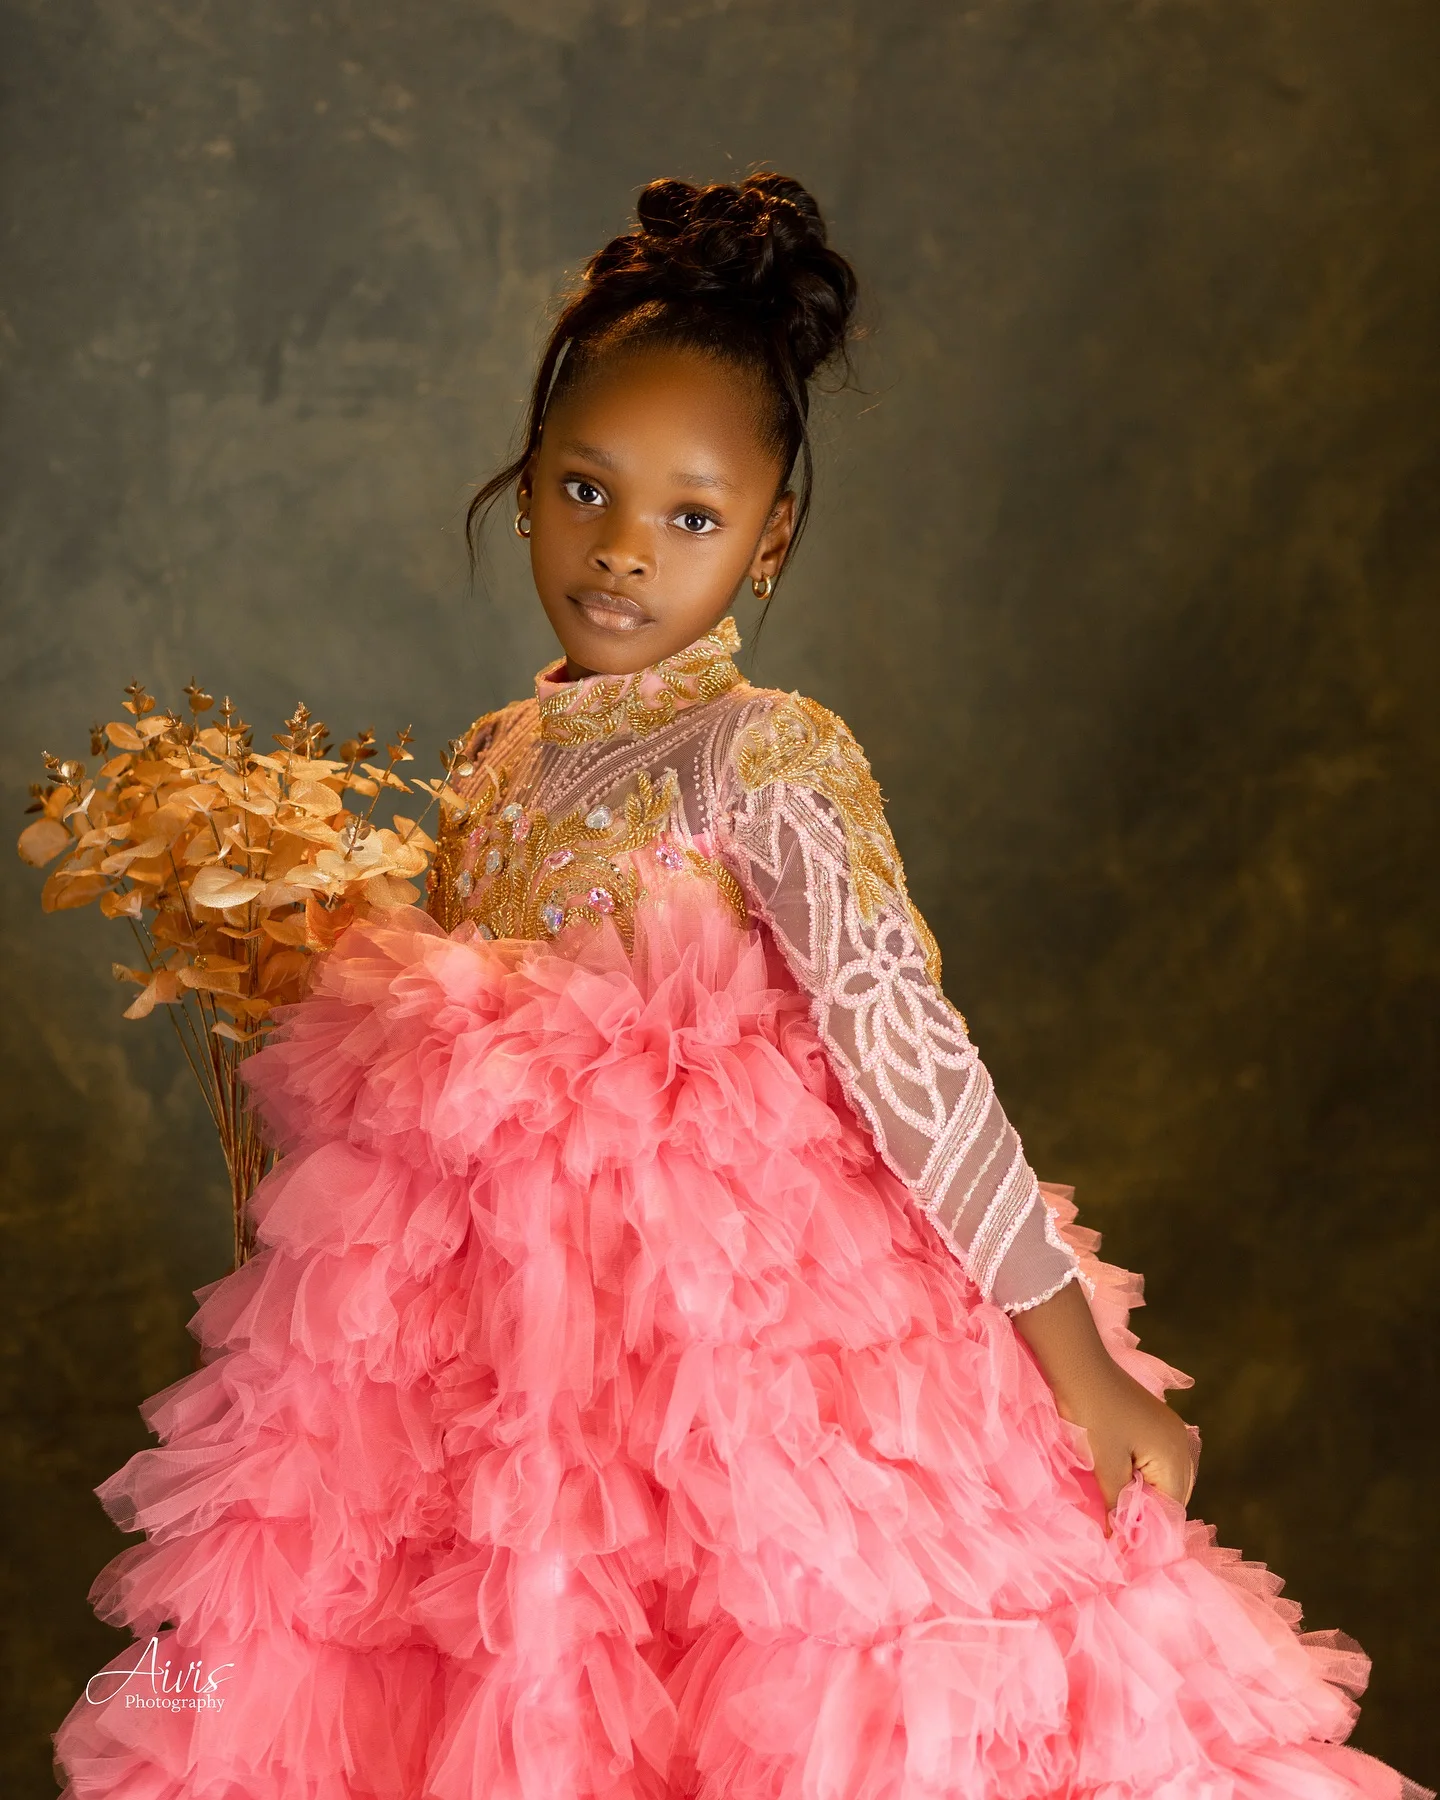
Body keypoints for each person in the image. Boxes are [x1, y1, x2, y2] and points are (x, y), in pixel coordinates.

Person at [53, 173, 1429, 1800]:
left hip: (739, 1367)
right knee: (470, 1689)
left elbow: (911, 1055)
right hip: (504, 1385)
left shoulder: (759, 752)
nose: (624, 553)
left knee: (765, 1697)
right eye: (585, 490)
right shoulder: (498, 757)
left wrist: (1080, 1363)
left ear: (769, 537)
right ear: (529, 477)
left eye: (691, 518)